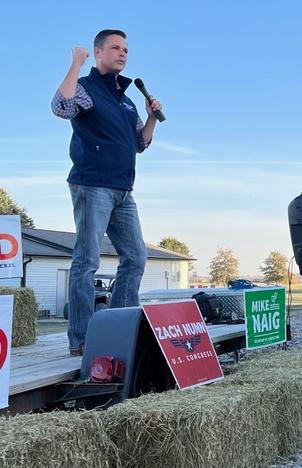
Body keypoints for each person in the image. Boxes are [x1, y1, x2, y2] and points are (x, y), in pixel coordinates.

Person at [51, 29, 163, 356]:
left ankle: (121, 327)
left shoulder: (126, 102)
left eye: (126, 49)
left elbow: (139, 143)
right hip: (92, 184)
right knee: (87, 259)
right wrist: (76, 62)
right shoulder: (86, 88)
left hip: (123, 191)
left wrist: (152, 118)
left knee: (136, 256)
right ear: (98, 52)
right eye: (115, 47)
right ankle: (83, 340)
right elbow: (61, 106)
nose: (123, 53)